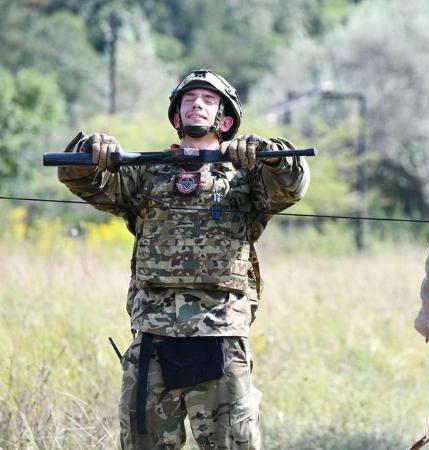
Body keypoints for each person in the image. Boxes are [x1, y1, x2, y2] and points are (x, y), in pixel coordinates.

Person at [57, 69, 310, 449]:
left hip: (220, 338)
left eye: (209, 100)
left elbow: (293, 184)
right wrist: (90, 151)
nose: (197, 103)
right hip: (152, 341)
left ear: (225, 120)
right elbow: (80, 178)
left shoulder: (245, 178)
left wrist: (270, 155)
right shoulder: (145, 174)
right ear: (177, 117)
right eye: (189, 99)